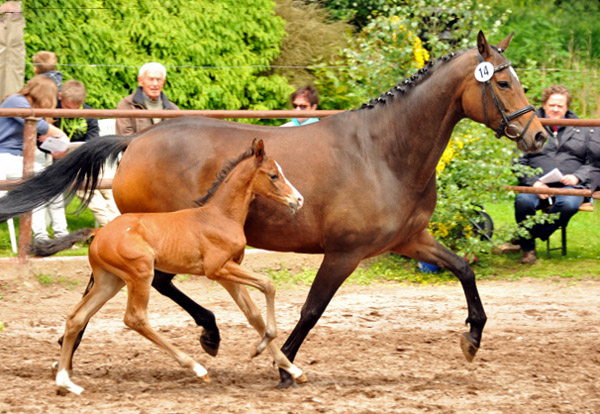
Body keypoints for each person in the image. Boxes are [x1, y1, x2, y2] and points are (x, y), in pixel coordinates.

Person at [506, 85, 593, 264]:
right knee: (523, 201)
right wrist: (535, 182)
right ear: (544, 105)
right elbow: (518, 163)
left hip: (571, 185)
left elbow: (592, 161)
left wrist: (577, 177)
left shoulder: (583, 128)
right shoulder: (529, 127)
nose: (555, 109)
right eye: (552, 105)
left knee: (569, 203)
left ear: (567, 108)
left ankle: (526, 236)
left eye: (560, 106)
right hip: (537, 184)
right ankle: (528, 251)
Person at [0, 75, 69, 243]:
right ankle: (41, 237)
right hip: (4, 157)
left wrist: (52, 146)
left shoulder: (26, 105)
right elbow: (40, 126)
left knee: (53, 184)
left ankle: (60, 235)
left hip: (17, 159)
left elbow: (36, 133)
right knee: (40, 183)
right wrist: (62, 137)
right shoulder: (17, 101)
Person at [57, 80, 120, 227]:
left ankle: (121, 227)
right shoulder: (53, 112)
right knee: (94, 197)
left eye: (76, 108)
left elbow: (94, 139)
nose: (72, 112)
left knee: (110, 190)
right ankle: (113, 229)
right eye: (67, 108)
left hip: (88, 160)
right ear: (60, 97)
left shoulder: (88, 112)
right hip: (66, 165)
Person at [115, 62, 179, 135]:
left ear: (163, 82)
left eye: (158, 80)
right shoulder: (127, 105)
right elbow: (124, 138)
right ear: (140, 81)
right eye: (151, 79)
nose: (155, 84)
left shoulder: (173, 109)